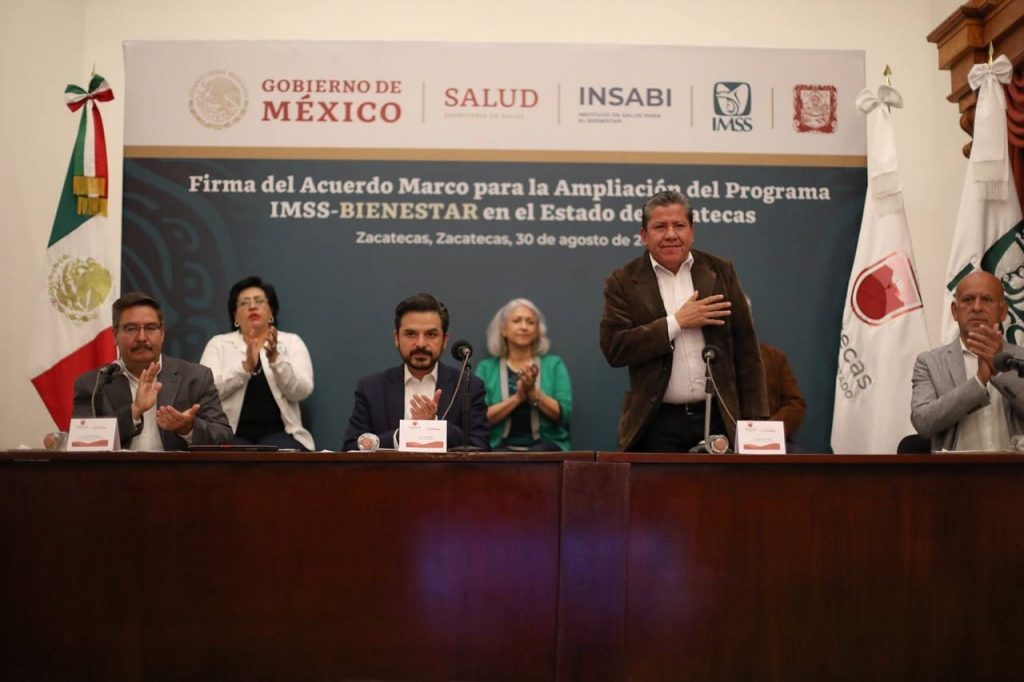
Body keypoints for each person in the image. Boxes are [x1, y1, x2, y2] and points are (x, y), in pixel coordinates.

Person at [600, 190, 767, 452]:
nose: (671, 234)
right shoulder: (622, 281)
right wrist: (676, 323)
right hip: (657, 421)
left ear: (692, 231)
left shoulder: (720, 271)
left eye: (679, 225)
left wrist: (756, 421)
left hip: (718, 416)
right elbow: (615, 347)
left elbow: (747, 353)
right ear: (644, 235)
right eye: (660, 227)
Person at [72, 292, 233, 450]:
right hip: (119, 468)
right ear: (115, 335)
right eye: (131, 328)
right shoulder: (94, 384)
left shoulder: (195, 378)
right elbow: (83, 442)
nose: (141, 337)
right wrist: (134, 412)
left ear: (162, 333)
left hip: (177, 468)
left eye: (150, 328)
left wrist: (188, 428)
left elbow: (223, 437)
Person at [342, 293, 489, 451]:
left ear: (445, 340)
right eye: (411, 334)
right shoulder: (371, 388)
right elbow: (351, 447)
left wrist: (433, 427)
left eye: (431, 334)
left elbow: (481, 447)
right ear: (396, 338)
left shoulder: (468, 386)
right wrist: (402, 436)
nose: (421, 343)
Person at [911, 270, 1024, 451]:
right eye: (968, 300)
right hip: (956, 469)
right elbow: (923, 423)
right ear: (955, 311)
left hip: (1015, 468)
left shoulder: (1020, 358)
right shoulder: (929, 362)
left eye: (986, 299)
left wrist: (999, 373)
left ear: (1003, 311)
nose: (977, 307)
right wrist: (979, 381)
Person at [199, 276, 315, 450]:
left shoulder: (292, 342)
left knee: (276, 453)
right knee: (234, 456)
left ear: (271, 312)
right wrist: (244, 368)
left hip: (281, 435)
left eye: (259, 301)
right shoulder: (218, 344)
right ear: (235, 315)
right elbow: (205, 392)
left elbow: (302, 391)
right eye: (244, 303)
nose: (252, 306)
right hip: (230, 435)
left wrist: (276, 360)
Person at [475, 298, 573, 451]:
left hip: (546, 447)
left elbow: (563, 415)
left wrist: (533, 393)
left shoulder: (554, 365)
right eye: (516, 321)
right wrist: (518, 397)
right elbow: (480, 418)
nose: (524, 327)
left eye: (530, 322)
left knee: (537, 456)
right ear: (503, 329)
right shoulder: (486, 368)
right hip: (498, 448)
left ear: (537, 331)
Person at [760, 342, 807, 440]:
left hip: (770, 439)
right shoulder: (723, 361)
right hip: (728, 442)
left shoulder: (775, 357)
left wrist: (769, 429)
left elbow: (795, 404)